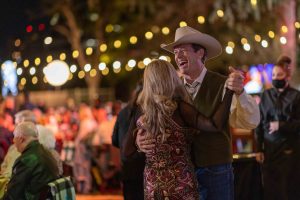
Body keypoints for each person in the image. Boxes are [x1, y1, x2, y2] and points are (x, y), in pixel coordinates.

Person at [137, 26, 260, 200]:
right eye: (176, 52)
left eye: (183, 51)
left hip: (216, 169)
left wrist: (239, 92)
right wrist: (139, 138)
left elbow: (250, 122)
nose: (178, 56)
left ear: (200, 53)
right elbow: (152, 118)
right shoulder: (171, 88)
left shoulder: (223, 84)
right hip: (181, 175)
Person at [122, 59, 234, 200]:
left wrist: (138, 143)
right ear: (171, 78)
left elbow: (126, 152)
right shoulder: (180, 108)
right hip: (181, 184)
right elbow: (214, 125)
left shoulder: (141, 111)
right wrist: (229, 93)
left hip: (153, 186)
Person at [255, 63, 300, 200]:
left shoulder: (296, 96)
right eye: (273, 75)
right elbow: (259, 123)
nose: (275, 78)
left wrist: (281, 125)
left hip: (289, 151)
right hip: (269, 152)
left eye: (279, 75)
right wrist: (259, 149)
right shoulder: (265, 95)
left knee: (288, 190)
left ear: (287, 77)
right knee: (271, 190)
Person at [3, 121, 59, 199]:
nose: (13, 141)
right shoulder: (46, 153)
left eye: (14, 137)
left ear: (21, 139)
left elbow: (13, 194)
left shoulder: (25, 160)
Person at [112, 81, 145, 200]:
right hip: (145, 167)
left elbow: (115, 141)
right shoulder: (147, 112)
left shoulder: (122, 113)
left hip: (127, 167)